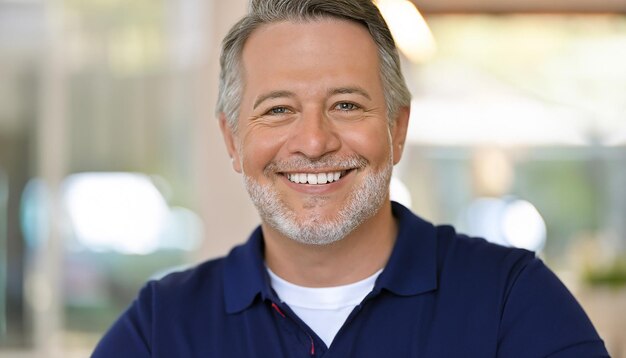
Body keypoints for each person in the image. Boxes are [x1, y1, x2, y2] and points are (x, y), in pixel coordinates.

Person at [93, 0, 609, 356]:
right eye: (277, 110)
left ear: (397, 128)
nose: (314, 142)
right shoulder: (162, 328)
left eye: (346, 104)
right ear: (232, 140)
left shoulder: (511, 302)